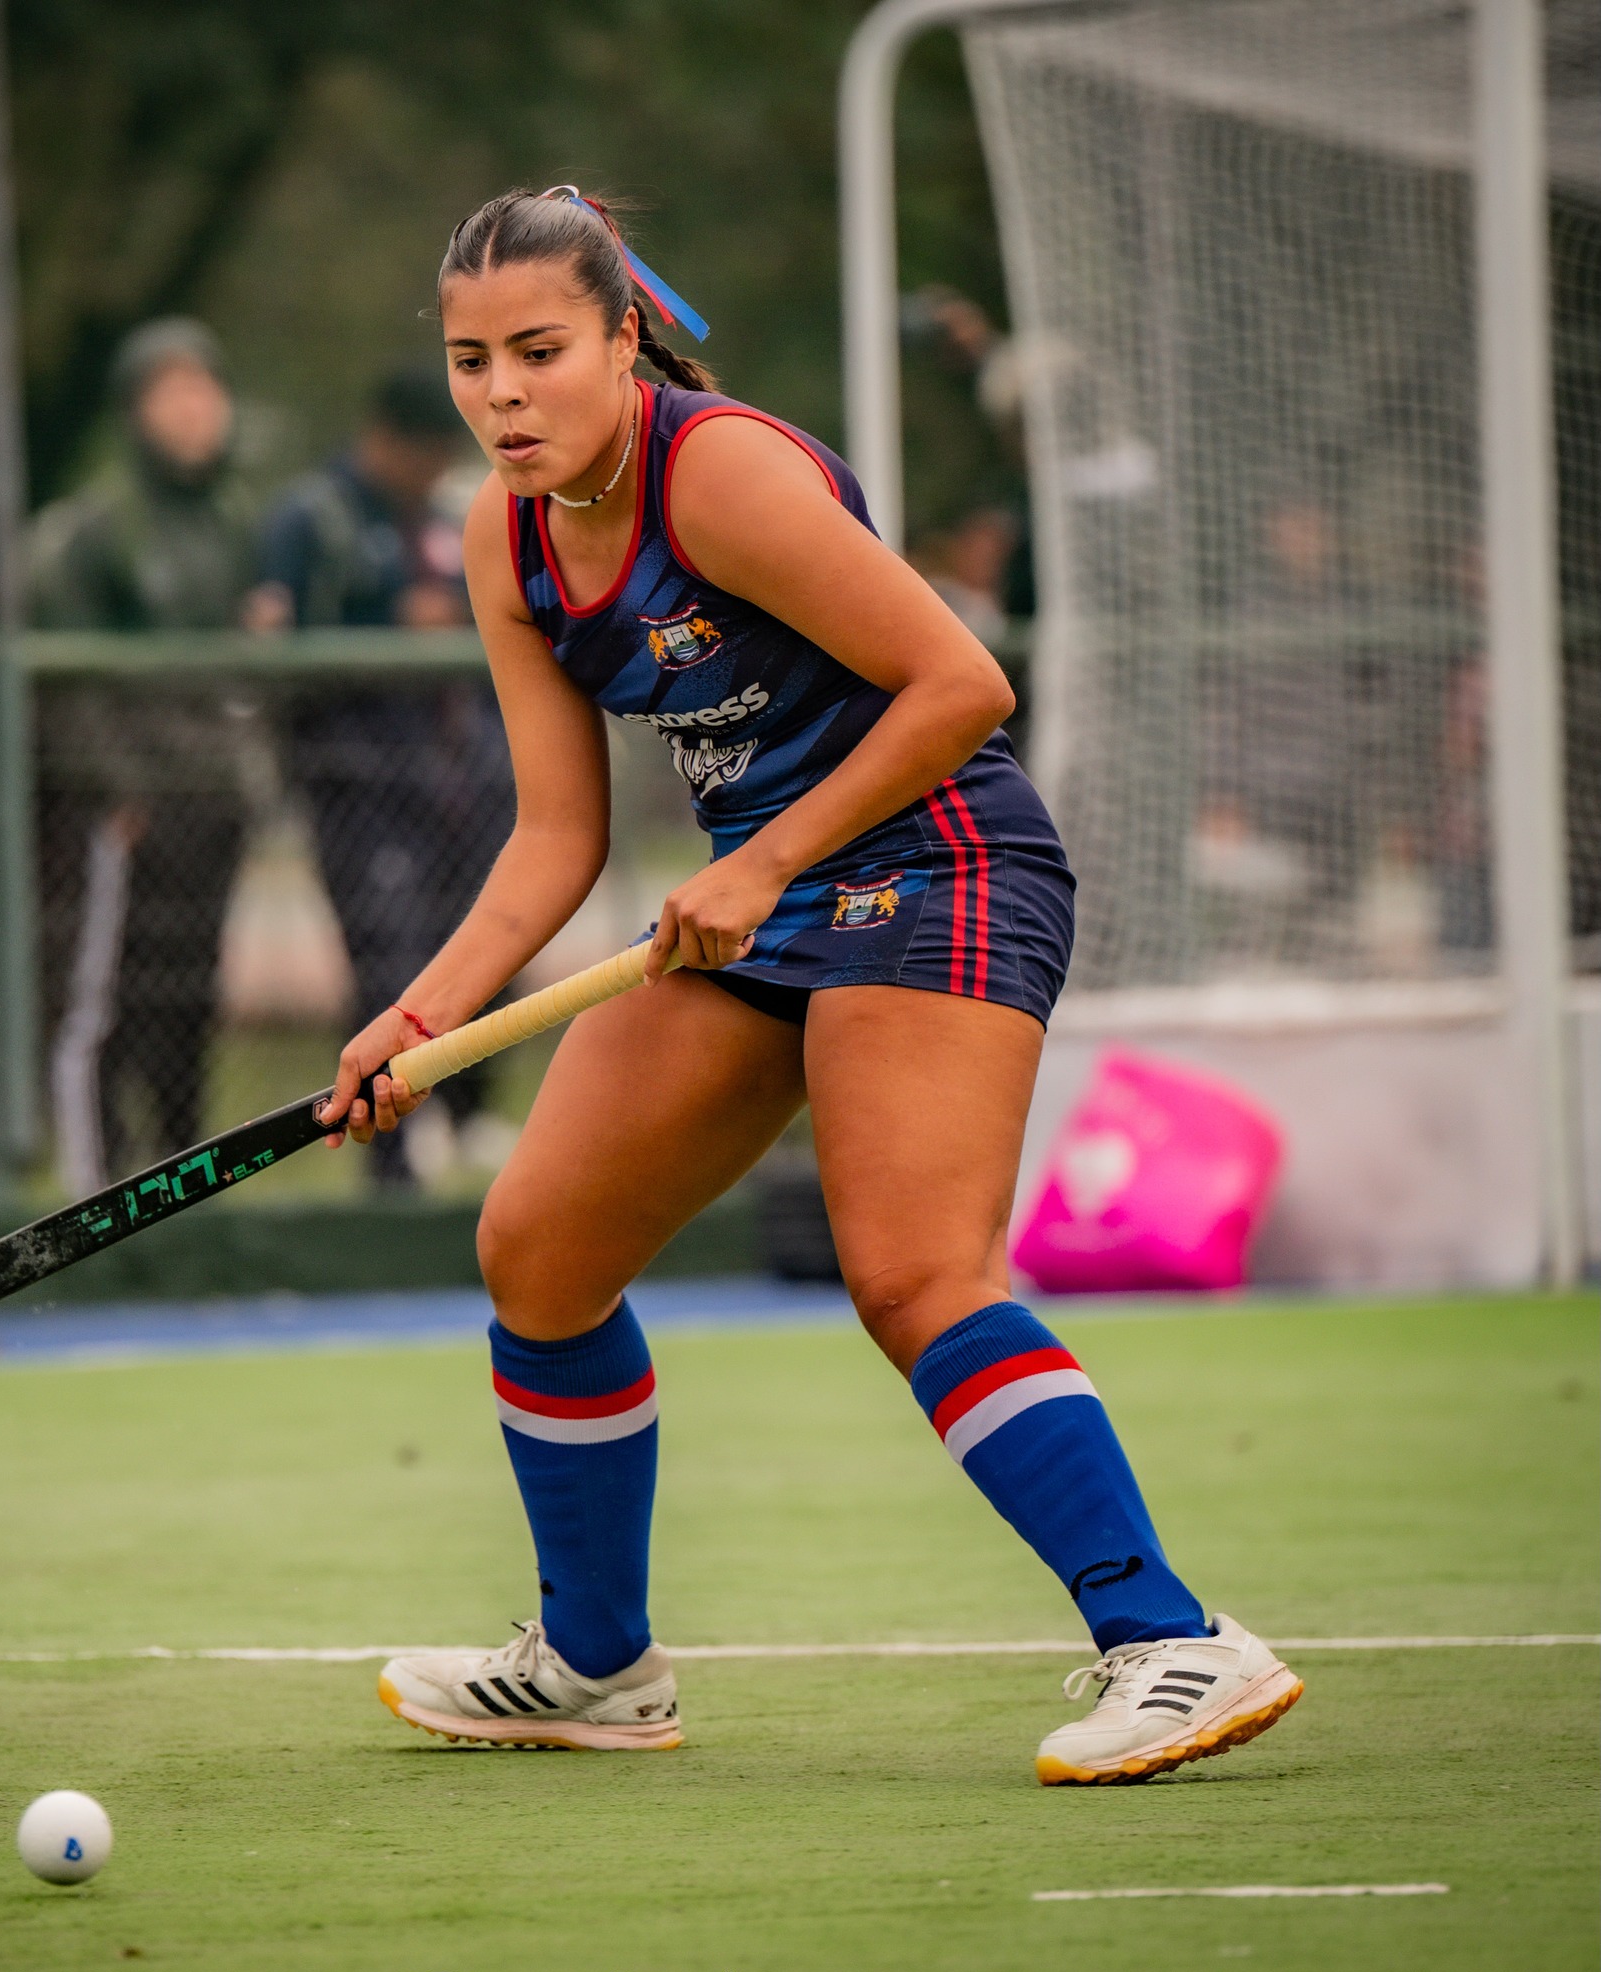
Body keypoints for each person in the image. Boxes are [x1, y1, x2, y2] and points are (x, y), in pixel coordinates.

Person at [320, 187, 1304, 1783]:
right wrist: (421, 1017)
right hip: (766, 903)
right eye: (468, 361)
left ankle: (1172, 1638)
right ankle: (592, 1663)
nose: (501, 394)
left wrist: (764, 859)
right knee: (538, 1245)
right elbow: (557, 835)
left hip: (941, 867)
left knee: (913, 1273)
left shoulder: (719, 475)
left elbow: (962, 683)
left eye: (538, 351)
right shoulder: (502, 536)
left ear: (622, 338)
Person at [247, 365, 514, 1186]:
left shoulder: (444, 521)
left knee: (485, 947)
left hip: (456, 779)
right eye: (427, 450)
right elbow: (272, 650)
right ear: (384, 439)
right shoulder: (310, 521)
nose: (437, 468)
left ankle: (470, 1119)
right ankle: (391, 1160)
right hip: (359, 784)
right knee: (386, 959)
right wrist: (387, 626)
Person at [30, 318, 258, 1192]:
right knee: (105, 993)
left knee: (189, 992)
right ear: (134, 410)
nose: (196, 411)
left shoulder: (234, 519)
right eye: (172, 393)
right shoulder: (93, 530)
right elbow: (68, 681)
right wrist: (114, 788)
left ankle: (179, 1169)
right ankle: (94, 1176)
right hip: (130, 807)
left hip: (214, 796)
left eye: (206, 389)